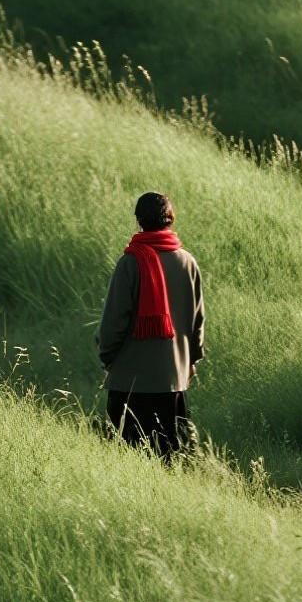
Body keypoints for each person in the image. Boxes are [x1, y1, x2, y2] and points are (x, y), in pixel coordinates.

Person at [97, 192, 204, 460]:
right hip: (173, 382)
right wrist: (191, 362)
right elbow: (197, 321)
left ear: (139, 221)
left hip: (130, 382)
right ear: (170, 220)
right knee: (170, 459)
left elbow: (114, 322)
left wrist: (107, 357)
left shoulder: (130, 262)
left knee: (130, 459)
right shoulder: (187, 262)